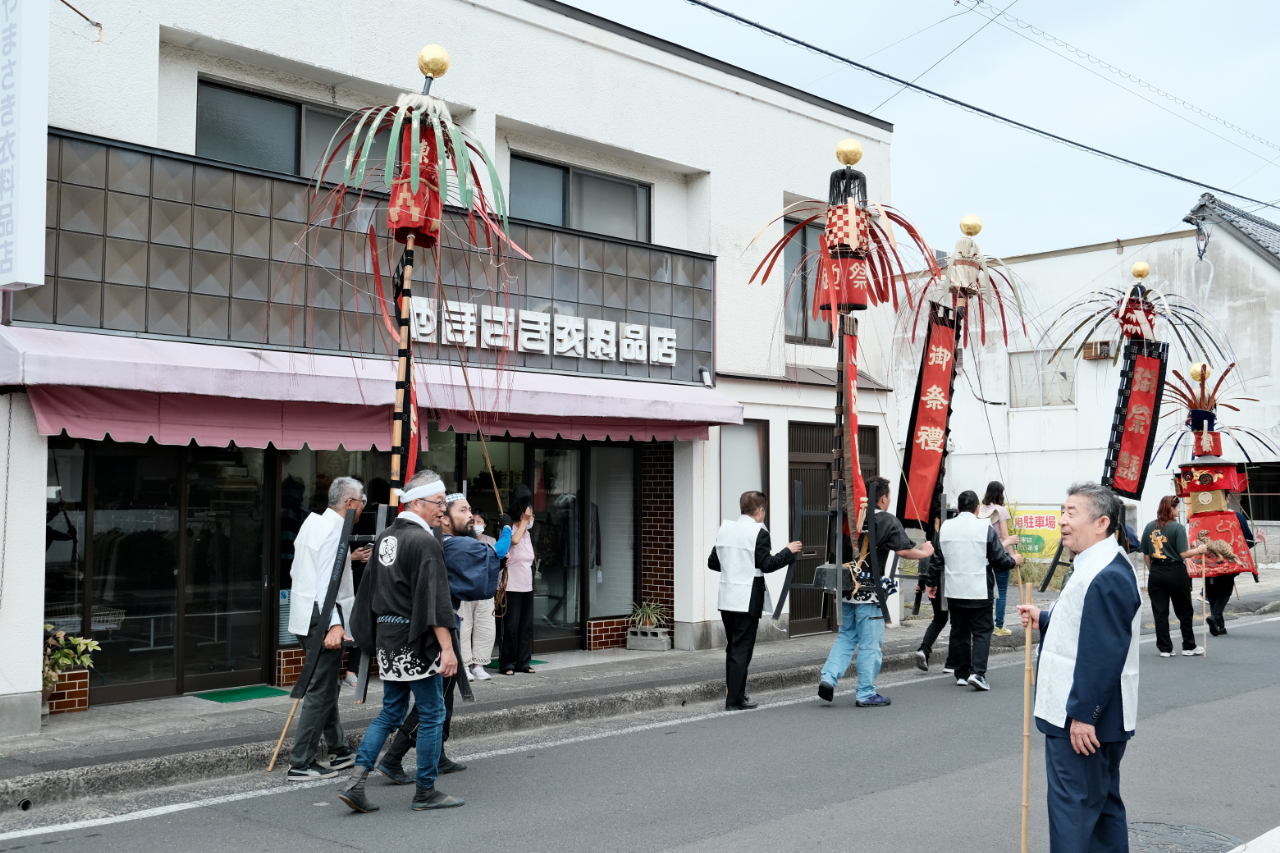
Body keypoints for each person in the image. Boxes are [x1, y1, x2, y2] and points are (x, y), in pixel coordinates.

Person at [1017, 482, 1142, 853]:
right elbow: (1082, 623)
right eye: (1063, 511)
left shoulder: (1107, 573)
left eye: (1072, 513)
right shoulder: (1098, 564)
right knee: (1100, 808)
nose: (1062, 521)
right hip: (1088, 712)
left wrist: (1084, 714)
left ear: (1101, 522)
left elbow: (1103, 650)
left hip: (1083, 717)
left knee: (1073, 808)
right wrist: (1044, 617)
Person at [338, 469, 462, 813]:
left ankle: (357, 781)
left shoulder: (387, 536)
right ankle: (425, 790)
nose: (443, 510)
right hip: (415, 637)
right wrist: (448, 648)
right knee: (433, 712)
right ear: (417, 503)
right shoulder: (425, 542)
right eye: (439, 503)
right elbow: (435, 600)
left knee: (391, 711)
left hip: (387, 638)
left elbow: (370, 590)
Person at [376, 493, 511, 786]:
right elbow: (494, 554)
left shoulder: (439, 542)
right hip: (438, 627)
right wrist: (508, 530)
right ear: (445, 518)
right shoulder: (452, 544)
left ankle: (437, 754)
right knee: (434, 699)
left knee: (442, 695)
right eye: (463, 510)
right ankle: (393, 758)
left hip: (432, 624)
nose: (471, 516)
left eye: (471, 510)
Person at [817, 477, 933, 708]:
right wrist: (924, 552)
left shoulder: (849, 518)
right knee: (870, 643)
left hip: (846, 586)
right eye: (889, 496)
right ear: (883, 498)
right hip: (869, 590)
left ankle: (828, 678)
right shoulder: (885, 519)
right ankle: (866, 693)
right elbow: (903, 550)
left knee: (847, 636)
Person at [285, 476, 373, 781]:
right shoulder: (334, 531)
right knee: (320, 690)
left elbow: (300, 571)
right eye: (362, 499)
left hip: (305, 613)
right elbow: (326, 584)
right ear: (350, 503)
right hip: (321, 617)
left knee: (325, 685)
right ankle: (301, 762)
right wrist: (334, 625)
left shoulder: (313, 523)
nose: (364, 505)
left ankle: (338, 750)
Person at [708, 491, 800, 711]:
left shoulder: (726, 529)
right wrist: (788, 551)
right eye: (764, 511)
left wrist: (735, 567)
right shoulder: (759, 531)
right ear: (760, 511)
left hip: (727, 597)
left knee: (733, 649)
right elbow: (766, 564)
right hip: (748, 598)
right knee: (742, 651)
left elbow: (713, 562)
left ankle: (736, 695)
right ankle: (735, 701)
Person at [936, 490, 1022, 691]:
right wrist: (1013, 561)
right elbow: (998, 559)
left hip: (954, 588)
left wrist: (931, 582)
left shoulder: (946, 527)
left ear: (958, 508)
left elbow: (937, 559)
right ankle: (978, 673)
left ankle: (961, 674)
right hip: (979, 589)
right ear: (977, 508)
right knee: (982, 631)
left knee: (959, 631)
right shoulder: (984, 527)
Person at [1140, 496, 1206, 658]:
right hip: (1175, 571)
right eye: (1177, 507)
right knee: (1184, 610)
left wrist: (1154, 570)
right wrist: (1200, 550)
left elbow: (1146, 554)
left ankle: (1165, 648)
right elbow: (1183, 553)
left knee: (1160, 612)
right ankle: (1188, 645)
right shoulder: (1177, 528)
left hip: (1156, 572)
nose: (1180, 510)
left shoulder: (1149, 527)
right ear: (1171, 509)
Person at [458, 509, 498, 681]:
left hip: (485, 590)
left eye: (479, 521)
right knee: (463, 628)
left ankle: (479, 666)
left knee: (485, 627)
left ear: (485, 524)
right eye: (472, 521)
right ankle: (464, 665)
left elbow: (498, 562)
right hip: (464, 590)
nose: (475, 524)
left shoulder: (491, 541)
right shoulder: (461, 541)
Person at [499, 495, 536, 676]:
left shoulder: (527, 534)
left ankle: (523, 662)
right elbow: (512, 542)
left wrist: (525, 523)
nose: (531, 519)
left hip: (526, 586)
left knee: (525, 626)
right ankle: (507, 664)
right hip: (511, 586)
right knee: (511, 627)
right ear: (520, 515)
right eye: (529, 516)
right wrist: (522, 522)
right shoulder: (509, 530)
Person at [1204, 506, 1255, 636]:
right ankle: (1215, 618)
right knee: (1225, 592)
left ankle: (1219, 626)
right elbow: (1246, 541)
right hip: (1227, 562)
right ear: (1226, 499)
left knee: (1212, 593)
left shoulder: (1201, 516)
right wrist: (1257, 540)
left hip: (1208, 561)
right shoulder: (1236, 516)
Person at [977, 481, 1016, 637]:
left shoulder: (980, 510)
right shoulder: (1001, 510)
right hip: (1000, 555)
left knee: (985, 592)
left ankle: (983, 625)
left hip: (984, 555)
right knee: (1001, 592)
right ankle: (999, 626)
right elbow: (1005, 536)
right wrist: (1013, 558)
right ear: (1000, 493)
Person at [913, 553, 956, 674]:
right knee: (957, 622)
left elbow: (926, 556)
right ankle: (951, 663)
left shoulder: (931, 535)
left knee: (939, 618)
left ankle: (924, 649)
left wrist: (923, 583)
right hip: (952, 576)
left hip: (932, 577)